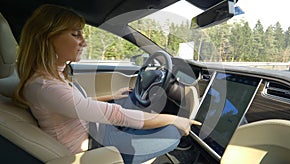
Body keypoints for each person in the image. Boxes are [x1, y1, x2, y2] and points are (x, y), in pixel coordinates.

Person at [15, 4, 201, 164]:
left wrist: (111, 96)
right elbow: (116, 115)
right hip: (95, 146)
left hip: (94, 129)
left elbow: (76, 105)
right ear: (47, 39)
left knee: (127, 101)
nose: (84, 43)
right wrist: (175, 119)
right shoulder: (45, 87)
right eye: (75, 34)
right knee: (172, 133)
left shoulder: (51, 76)